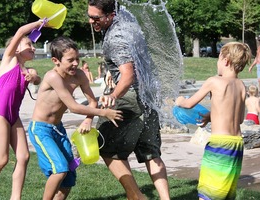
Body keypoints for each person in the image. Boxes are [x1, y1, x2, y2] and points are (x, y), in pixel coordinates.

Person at [87, 0, 170, 199]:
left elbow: (128, 75)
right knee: (151, 152)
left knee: (104, 146)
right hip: (148, 96)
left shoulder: (116, 38)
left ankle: (135, 195)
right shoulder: (127, 21)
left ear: (110, 15)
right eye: (89, 16)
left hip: (129, 96)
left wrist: (113, 95)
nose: (91, 21)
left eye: (96, 18)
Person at [27, 36, 122, 200]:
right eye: (70, 60)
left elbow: (93, 101)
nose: (76, 63)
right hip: (41, 129)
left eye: (77, 58)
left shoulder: (79, 75)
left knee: (68, 178)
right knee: (60, 169)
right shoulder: (52, 77)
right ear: (56, 60)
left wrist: (88, 119)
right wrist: (103, 113)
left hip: (58, 129)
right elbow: (73, 106)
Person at [175, 42, 252, 200]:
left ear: (226, 60)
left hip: (219, 144)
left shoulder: (214, 81)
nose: (217, 63)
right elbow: (239, 119)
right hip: (237, 144)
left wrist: (180, 101)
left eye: (218, 59)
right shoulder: (241, 85)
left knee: (208, 193)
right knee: (225, 192)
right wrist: (212, 115)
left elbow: (189, 104)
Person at [0, 20, 44, 200]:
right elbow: (20, 31)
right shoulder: (9, 60)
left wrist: (34, 76)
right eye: (29, 44)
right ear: (17, 48)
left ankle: (15, 198)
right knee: (2, 159)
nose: (33, 48)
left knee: (24, 156)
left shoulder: (28, 69)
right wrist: (39, 23)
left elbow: (38, 79)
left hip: (14, 117)